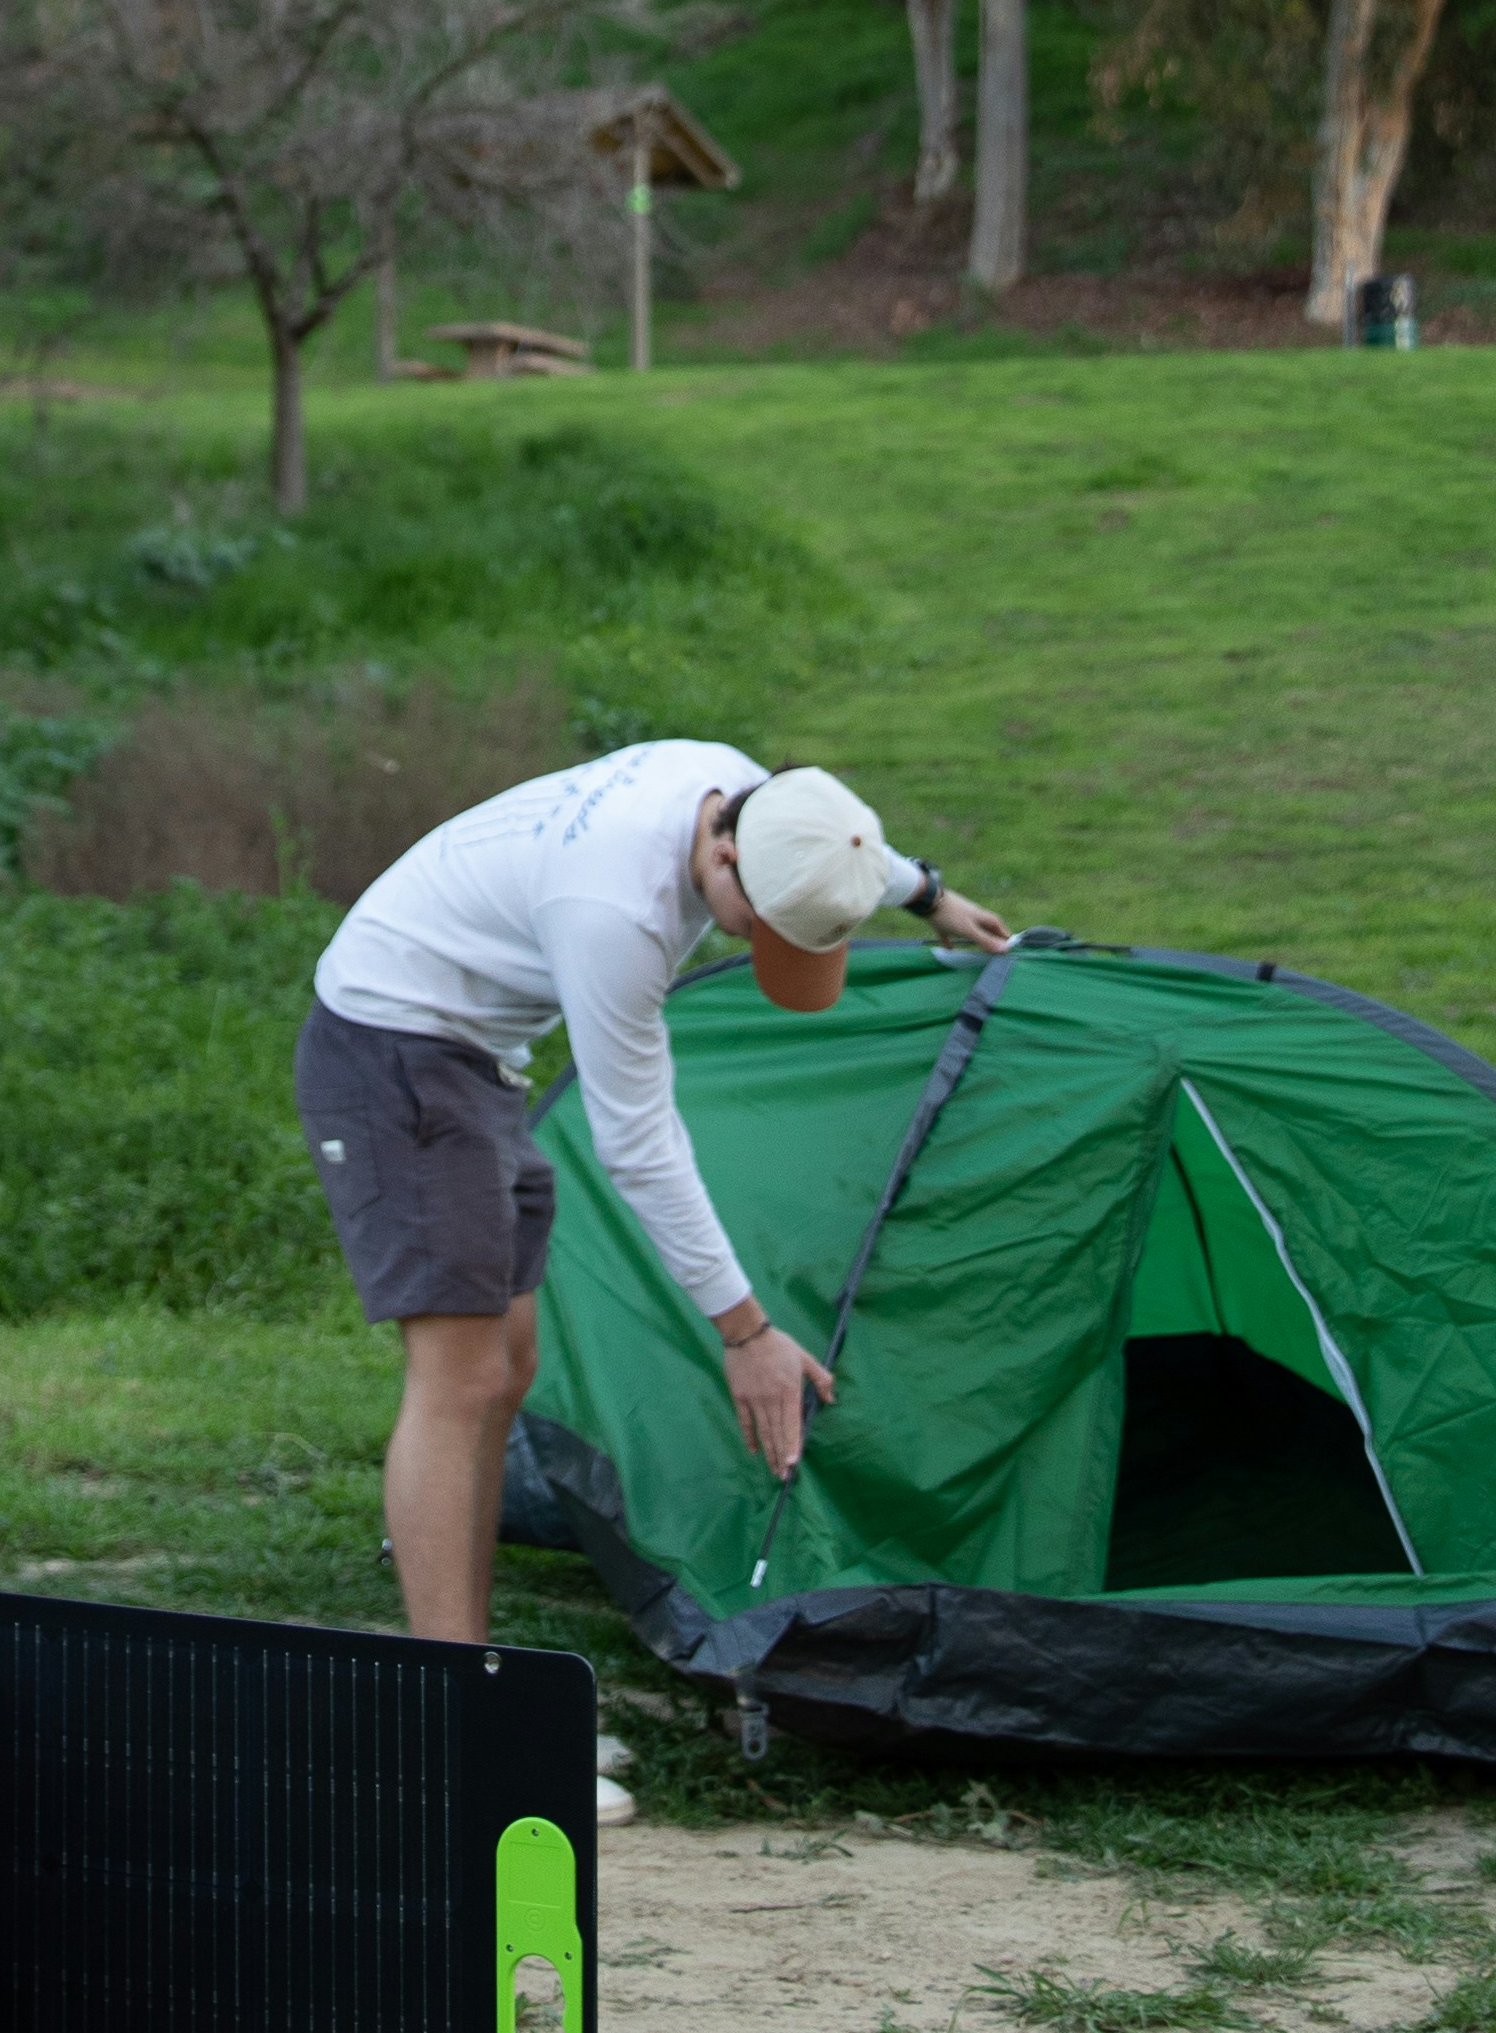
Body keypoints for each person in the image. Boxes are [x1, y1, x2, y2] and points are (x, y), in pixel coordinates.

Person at [298, 742, 1014, 1810]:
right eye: (756, 922)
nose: (749, 942)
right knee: (456, 1381)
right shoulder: (616, 916)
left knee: (506, 1372)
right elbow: (637, 1143)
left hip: (477, 1056)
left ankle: (478, 1691)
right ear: (721, 855)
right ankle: (458, 1733)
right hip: (395, 1051)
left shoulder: (735, 787)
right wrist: (744, 1332)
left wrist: (927, 895)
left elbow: (826, 828)